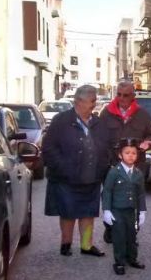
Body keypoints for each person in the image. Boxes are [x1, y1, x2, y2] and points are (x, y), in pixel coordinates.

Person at [43, 84, 110, 257]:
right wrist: (62, 167)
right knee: (68, 212)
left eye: (95, 100)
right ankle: (66, 244)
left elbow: (106, 146)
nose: (95, 104)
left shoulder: (97, 122)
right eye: (92, 100)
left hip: (91, 177)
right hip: (67, 177)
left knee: (88, 212)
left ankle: (86, 246)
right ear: (78, 101)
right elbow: (49, 148)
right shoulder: (61, 120)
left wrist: (102, 167)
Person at [100, 81, 151, 244]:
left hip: (135, 166)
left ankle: (131, 232)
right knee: (110, 197)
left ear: (133, 96)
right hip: (112, 165)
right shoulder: (106, 113)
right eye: (118, 94)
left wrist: (148, 143)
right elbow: (99, 137)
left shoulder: (143, 114)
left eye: (125, 95)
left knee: (133, 199)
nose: (121, 98)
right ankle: (110, 228)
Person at [101, 138, 147, 275]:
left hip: (131, 211)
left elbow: (141, 194)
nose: (131, 155)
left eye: (133, 153)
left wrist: (142, 211)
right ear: (120, 155)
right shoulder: (114, 172)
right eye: (127, 152)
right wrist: (107, 210)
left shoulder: (138, 173)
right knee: (119, 236)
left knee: (132, 235)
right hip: (117, 210)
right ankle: (119, 262)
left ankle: (132, 259)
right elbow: (107, 191)